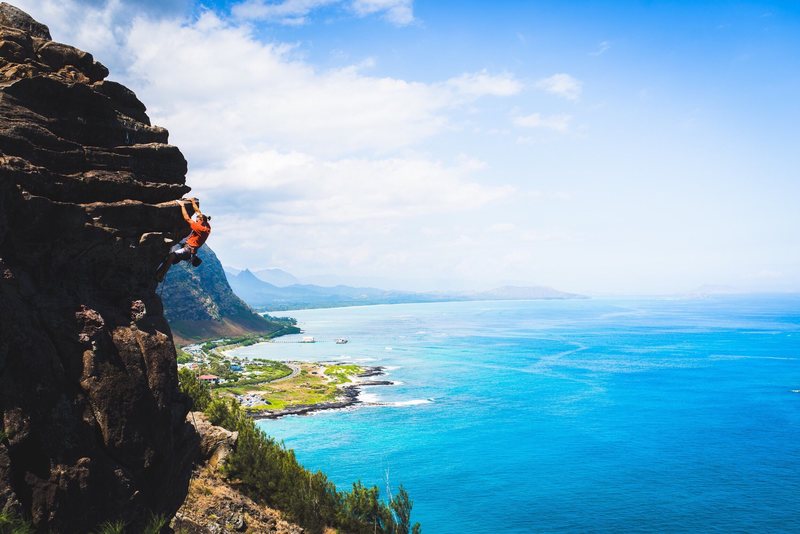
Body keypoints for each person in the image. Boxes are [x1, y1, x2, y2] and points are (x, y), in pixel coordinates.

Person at [156, 198, 211, 282]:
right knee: (171, 254)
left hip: (188, 250)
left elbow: (187, 218)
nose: (195, 220)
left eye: (197, 220)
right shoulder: (206, 225)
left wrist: (182, 205)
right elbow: (198, 212)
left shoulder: (200, 228)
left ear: (200, 220)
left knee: (171, 256)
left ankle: (161, 276)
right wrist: (192, 201)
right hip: (190, 250)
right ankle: (159, 272)